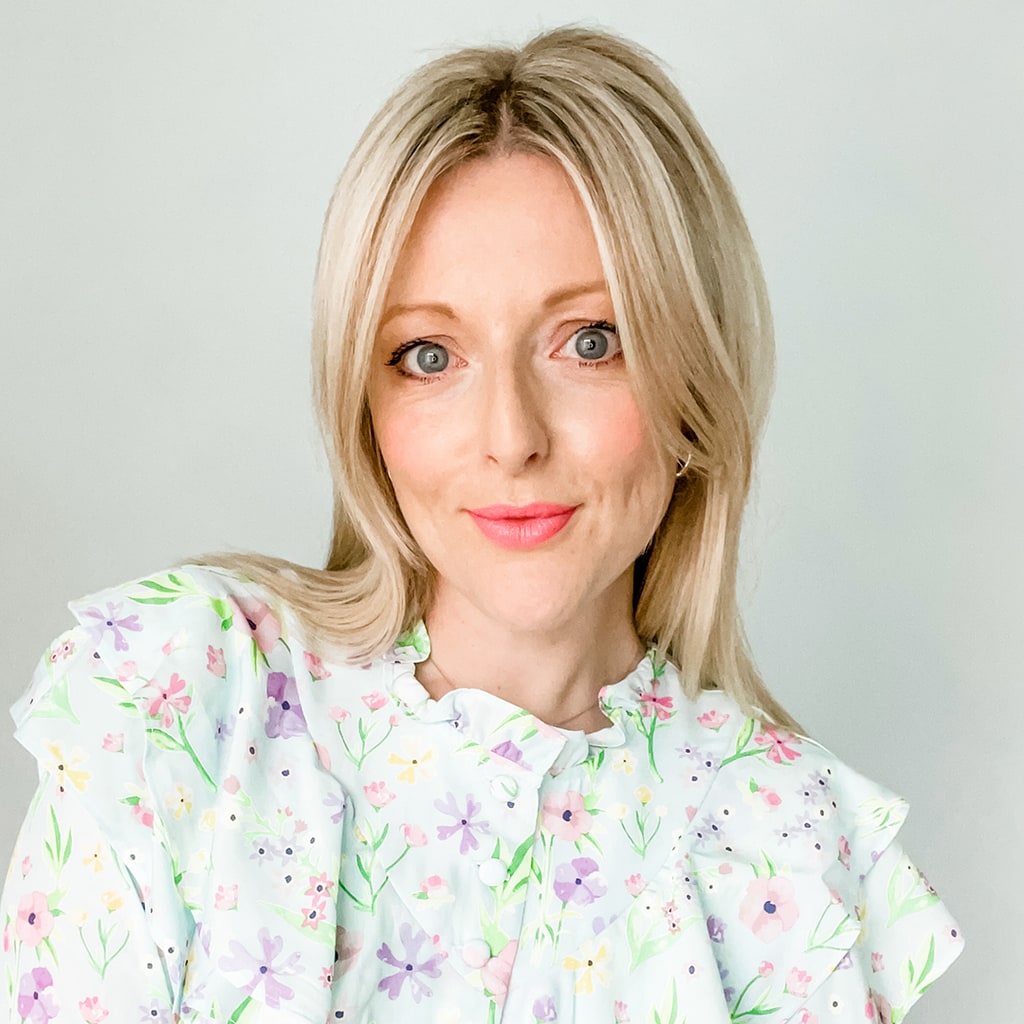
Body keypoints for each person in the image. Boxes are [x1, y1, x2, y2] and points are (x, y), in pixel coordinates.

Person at [1, 25, 961, 1024]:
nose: (509, 438)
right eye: (428, 354)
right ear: (361, 407)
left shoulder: (795, 853)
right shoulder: (184, 702)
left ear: (693, 386)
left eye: (589, 342)